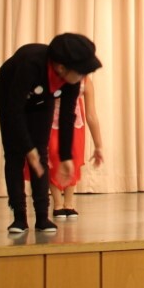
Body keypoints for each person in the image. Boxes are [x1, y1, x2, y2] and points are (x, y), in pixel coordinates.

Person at [0, 33, 102, 233]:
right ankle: (19, 217)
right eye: (81, 71)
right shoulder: (30, 65)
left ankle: (42, 217)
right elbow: (14, 111)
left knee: (41, 154)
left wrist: (66, 156)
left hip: (42, 100)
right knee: (15, 154)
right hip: (11, 96)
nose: (83, 78)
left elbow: (67, 116)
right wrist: (28, 148)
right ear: (61, 67)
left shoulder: (71, 80)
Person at [47, 74, 104, 218]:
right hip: (50, 122)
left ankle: (69, 203)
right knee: (52, 159)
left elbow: (91, 114)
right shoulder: (49, 75)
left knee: (75, 159)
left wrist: (98, 144)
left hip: (75, 124)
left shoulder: (85, 80)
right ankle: (57, 203)